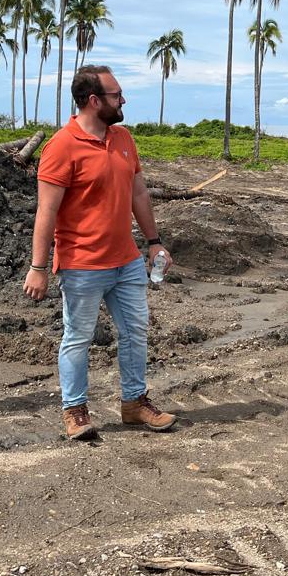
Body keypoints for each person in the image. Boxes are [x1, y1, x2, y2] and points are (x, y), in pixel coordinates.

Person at [23, 64, 176, 441]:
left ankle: (134, 403)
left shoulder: (123, 138)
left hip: (125, 260)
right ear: (94, 101)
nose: (123, 100)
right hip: (82, 264)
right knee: (78, 336)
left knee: (136, 331)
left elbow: (139, 193)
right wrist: (37, 267)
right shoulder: (61, 146)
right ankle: (75, 411)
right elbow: (47, 211)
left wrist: (154, 241)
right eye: (116, 95)